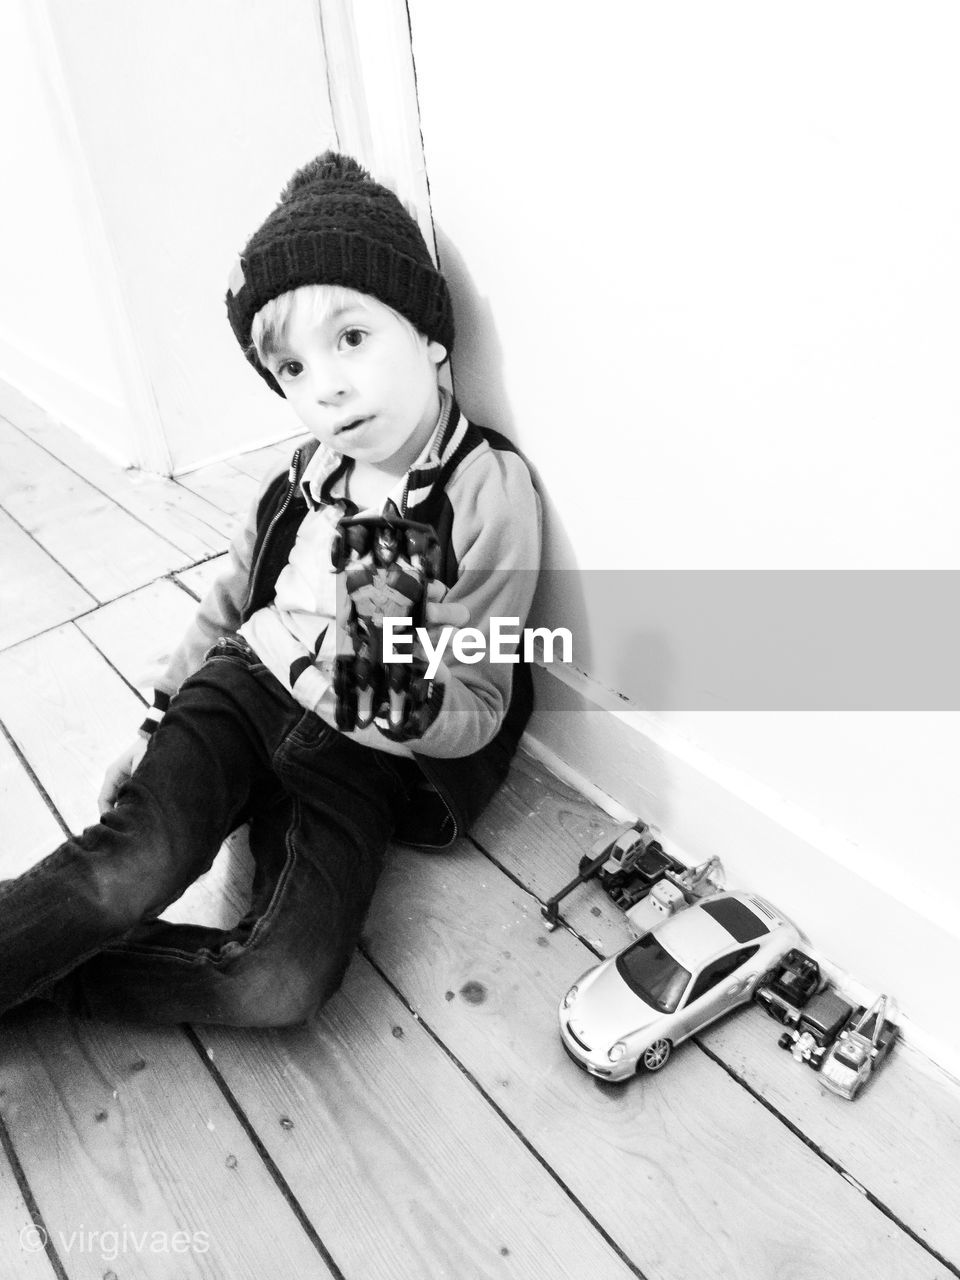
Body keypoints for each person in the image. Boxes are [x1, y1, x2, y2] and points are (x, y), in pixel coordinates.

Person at [0, 153, 541, 1026]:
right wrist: (156, 720)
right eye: (292, 369)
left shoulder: (486, 491)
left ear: (430, 336)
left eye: (353, 339)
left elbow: (480, 698)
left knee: (279, 983)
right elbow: (227, 602)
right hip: (247, 687)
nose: (325, 386)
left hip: (360, 759)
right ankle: (28, 942)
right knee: (127, 869)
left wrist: (402, 703)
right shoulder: (299, 478)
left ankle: (35, 966)